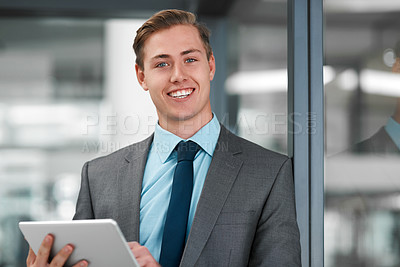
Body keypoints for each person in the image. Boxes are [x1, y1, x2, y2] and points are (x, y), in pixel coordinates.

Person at [26, 9, 301, 267]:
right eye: (162, 64)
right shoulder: (99, 177)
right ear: (142, 77)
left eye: (190, 59)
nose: (178, 75)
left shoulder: (268, 173)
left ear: (211, 66)